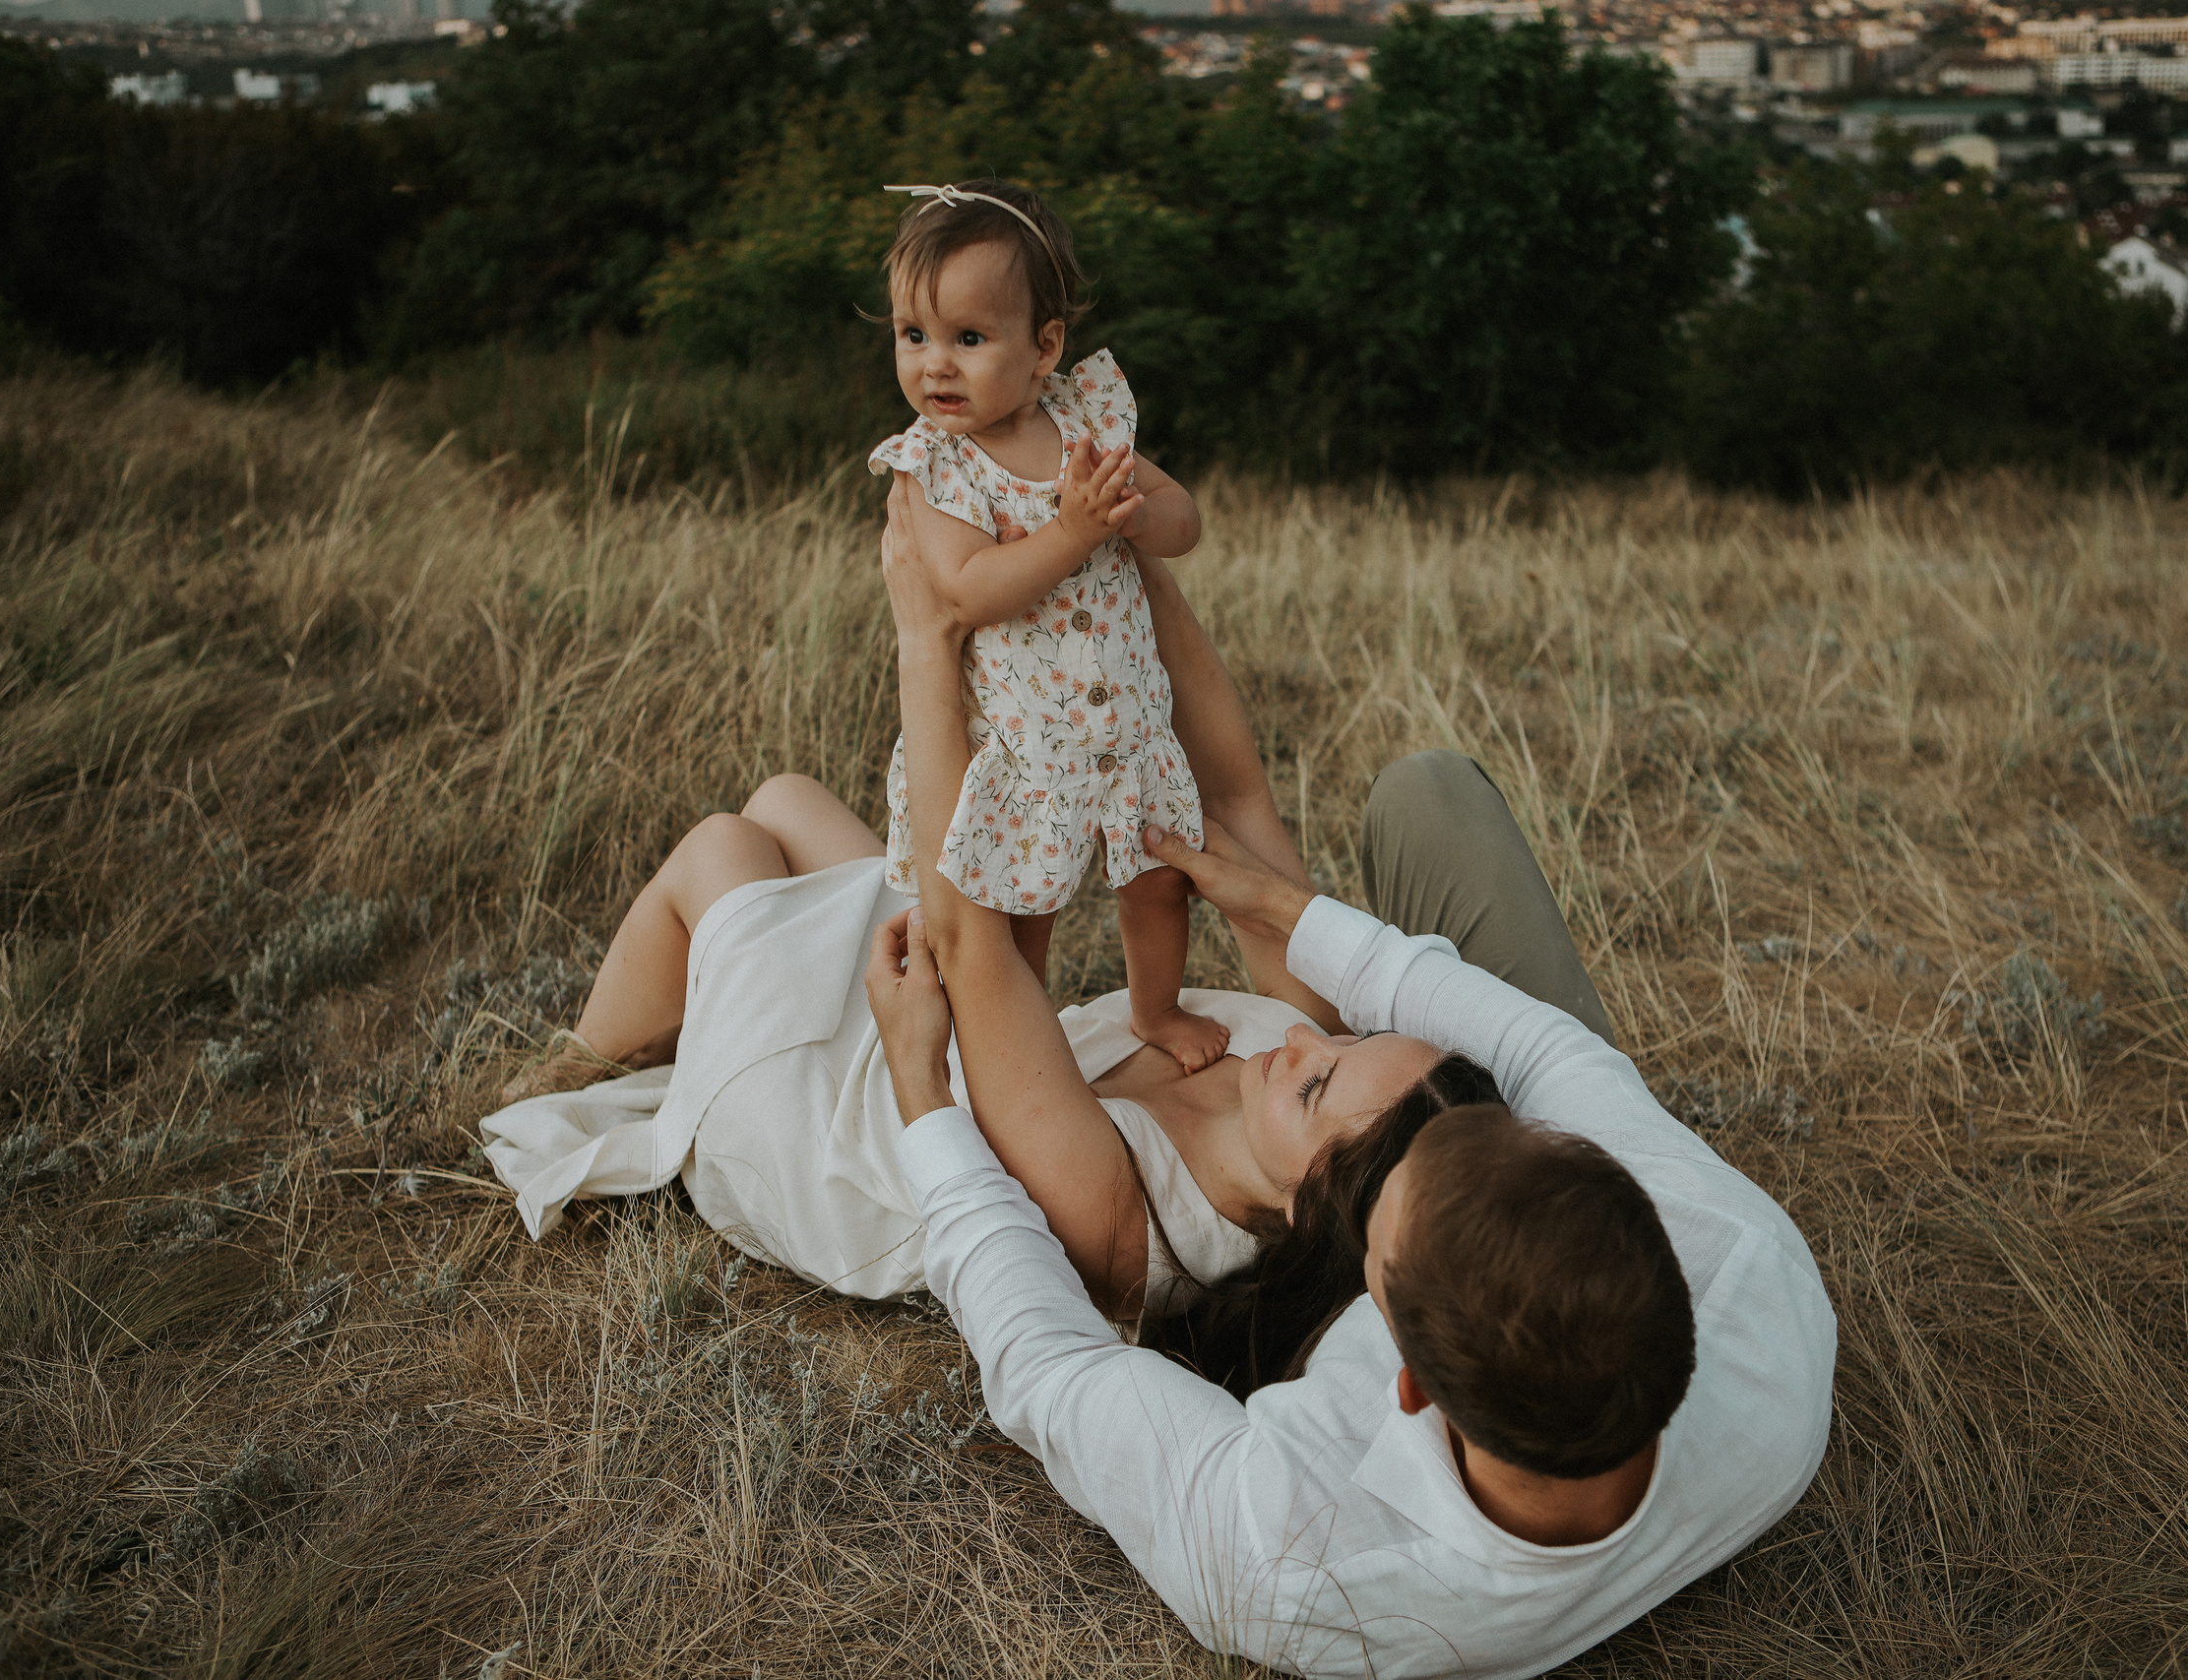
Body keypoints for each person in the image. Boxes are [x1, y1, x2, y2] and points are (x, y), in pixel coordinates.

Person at [862, 501, 1840, 1678]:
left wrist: (925, 1094)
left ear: (1400, 1373)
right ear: (1640, 1207)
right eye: (1513, 1130)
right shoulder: (1747, 1266)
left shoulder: (1285, 1556)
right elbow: (1546, 1055)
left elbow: (1050, 1366)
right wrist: (1266, 899)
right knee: (1430, 799)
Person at [475, 476, 1489, 1320]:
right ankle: (656, 1033)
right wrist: (1121, 565)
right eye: (1349, 1043)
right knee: (786, 800)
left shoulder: (1122, 1224)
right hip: (965, 1018)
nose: (1308, 1042)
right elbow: (1236, 791)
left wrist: (929, 631)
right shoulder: (1300, 1047)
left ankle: (574, 1071)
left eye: (1315, 1084)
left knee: (721, 849)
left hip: (849, 1147)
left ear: (1312, 1208)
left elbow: (969, 932)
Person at [870, 178, 1229, 1073]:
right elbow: (966, 591)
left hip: (1127, 728)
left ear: (1044, 348)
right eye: (913, 336)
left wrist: (1138, 518)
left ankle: (1155, 1010)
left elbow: (1183, 517)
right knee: (1021, 911)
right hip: (1026, 745)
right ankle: (1010, 1048)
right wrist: (1073, 531)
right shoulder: (936, 466)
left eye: (968, 337)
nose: (934, 364)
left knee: (1160, 881)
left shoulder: (1083, 419)